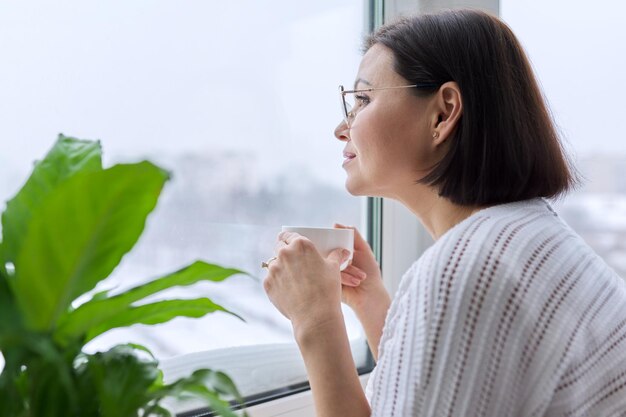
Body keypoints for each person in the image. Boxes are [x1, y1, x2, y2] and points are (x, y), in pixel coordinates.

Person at [262, 9, 626, 417]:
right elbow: (454, 388)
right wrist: (371, 303)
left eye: (362, 100)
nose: (341, 128)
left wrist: (315, 321)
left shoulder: (471, 265)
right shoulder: (525, 235)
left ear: (443, 112)